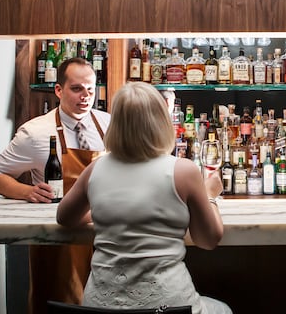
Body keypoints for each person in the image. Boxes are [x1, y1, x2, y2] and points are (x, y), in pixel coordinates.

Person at [57, 81, 232, 314]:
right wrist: (210, 195)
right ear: (161, 122)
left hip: (100, 307)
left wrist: (108, 212)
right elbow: (207, 240)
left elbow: (65, 217)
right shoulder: (183, 170)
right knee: (223, 309)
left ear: (116, 124)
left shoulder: (95, 169)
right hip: (167, 307)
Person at [0, 57, 110, 314]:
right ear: (58, 90)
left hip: (104, 235)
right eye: (77, 88)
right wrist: (26, 191)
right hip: (58, 238)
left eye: (90, 88)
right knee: (57, 303)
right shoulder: (35, 132)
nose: (86, 96)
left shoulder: (109, 125)